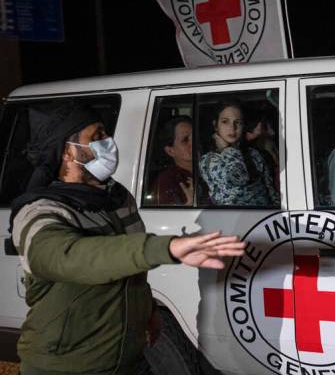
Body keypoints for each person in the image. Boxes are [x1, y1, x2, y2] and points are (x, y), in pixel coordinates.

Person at [9, 104, 245, 375]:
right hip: (66, 366)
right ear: (67, 152)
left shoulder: (117, 198)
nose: (108, 141)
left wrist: (147, 311)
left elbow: (129, 270)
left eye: (105, 133)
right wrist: (163, 247)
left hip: (128, 360)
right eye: (96, 136)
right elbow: (65, 256)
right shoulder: (40, 211)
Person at [199, 100, 279, 206]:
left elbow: (270, 189)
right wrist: (226, 149)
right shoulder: (208, 160)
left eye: (238, 122)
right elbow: (239, 177)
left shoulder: (254, 153)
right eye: (225, 121)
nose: (232, 128)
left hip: (265, 215)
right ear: (216, 125)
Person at [150, 115, 194, 205]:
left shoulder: (210, 167)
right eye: (185, 140)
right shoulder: (166, 182)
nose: (194, 143)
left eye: (195, 137)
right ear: (170, 151)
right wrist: (189, 205)